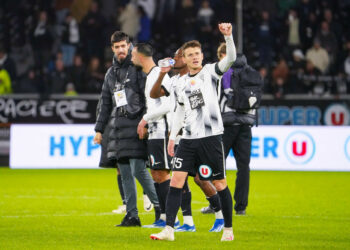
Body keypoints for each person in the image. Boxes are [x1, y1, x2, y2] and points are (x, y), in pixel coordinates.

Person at [150, 23, 236, 242]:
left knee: (220, 183)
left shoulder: (210, 72)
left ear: (202, 55)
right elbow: (179, 110)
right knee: (177, 181)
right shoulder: (178, 83)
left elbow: (231, 59)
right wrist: (172, 137)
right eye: (190, 55)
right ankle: (169, 229)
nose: (195, 57)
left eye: (197, 53)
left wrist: (228, 37)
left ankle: (228, 229)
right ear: (185, 59)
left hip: (211, 138)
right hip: (188, 139)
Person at [93, 31, 160, 227]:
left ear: (129, 45)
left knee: (139, 169)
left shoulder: (138, 68)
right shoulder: (110, 73)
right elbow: (105, 103)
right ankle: (132, 215)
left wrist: (146, 122)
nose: (121, 50)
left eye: (124, 46)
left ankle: (161, 208)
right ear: (112, 48)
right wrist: (99, 129)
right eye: (117, 47)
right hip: (117, 129)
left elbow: (149, 98)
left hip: (136, 126)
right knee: (124, 171)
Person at [131, 43, 179, 228]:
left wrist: (144, 119)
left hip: (162, 129)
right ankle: (163, 218)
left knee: (163, 174)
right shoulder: (152, 75)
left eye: (133, 55)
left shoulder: (160, 75)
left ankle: (170, 219)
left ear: (141, 56)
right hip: (155, 130)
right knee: (157, 174)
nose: (132, 58)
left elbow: (169, 105)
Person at [217, 43, 258, 215]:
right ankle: (241, 207)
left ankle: (217, 205)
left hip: (227, 125)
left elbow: (218, 98)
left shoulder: (224, 73)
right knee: (244, 167)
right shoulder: (251, 73)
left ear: (222, 56)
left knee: (219, 165)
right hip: (246, 125)